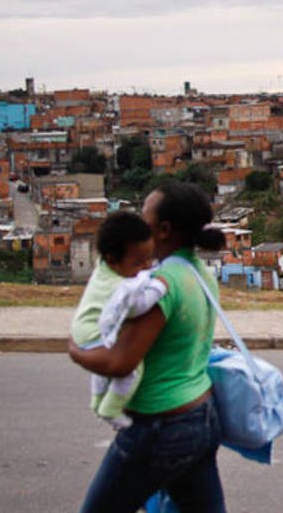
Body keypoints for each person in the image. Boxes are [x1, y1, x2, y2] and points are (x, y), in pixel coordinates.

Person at [69, 182, 227, 513]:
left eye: (145, 216)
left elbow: (120, 362)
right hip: (201, 415)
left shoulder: (160, 285)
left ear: (164, 229)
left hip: (161, 427)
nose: (139, 222)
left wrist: (75, 350)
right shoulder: (199, 272)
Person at [71, 210, 167, 429]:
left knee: (103, 371)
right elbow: (136, 307)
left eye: (149, 259)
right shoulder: (120, 287)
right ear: (113, 260)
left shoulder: (104, 269)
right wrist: (159, 287)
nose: (146, 267)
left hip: (83, 328)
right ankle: (111, 409)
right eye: (138, 263)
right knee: (131, 369)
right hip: (95, 333)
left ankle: (96, 401)